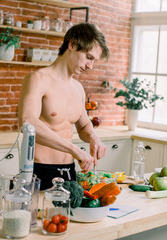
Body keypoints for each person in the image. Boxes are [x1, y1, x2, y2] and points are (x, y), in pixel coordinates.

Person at [18, 22, 110, 190]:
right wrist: (75, 150)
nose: (90, 66)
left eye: (94, 61)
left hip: (69, 172)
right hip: (40, 171)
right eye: (89, 57)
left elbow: (83, 125)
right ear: (72, 45)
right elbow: (27, 123)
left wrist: (93, 137)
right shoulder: (38, 79)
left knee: (70, 217)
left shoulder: (78, 88)